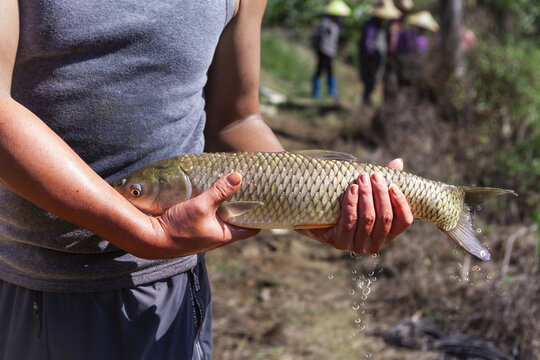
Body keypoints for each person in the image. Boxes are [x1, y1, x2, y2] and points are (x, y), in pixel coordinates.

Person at [0, 1, 413, 359]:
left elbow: (236, 118)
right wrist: (141, 232)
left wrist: (307, 203)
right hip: (29, 285)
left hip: (172, 293)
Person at [358, 0, 402, 104]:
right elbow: (368, 44)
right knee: (369, 80)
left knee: (373, 80)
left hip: (376, 57)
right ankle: (366, 101)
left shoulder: (382, 25)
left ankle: (368, 101)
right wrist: (371, 56)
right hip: (370, 57)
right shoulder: (371, 25)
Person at [311, 0, 351, 99]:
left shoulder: (337, 22)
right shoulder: (326, 21)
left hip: (331, 50)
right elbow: (319, 34)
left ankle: (332, 90)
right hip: (323, 49)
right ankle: (316, 91)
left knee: (330, 70)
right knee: (320, 70)